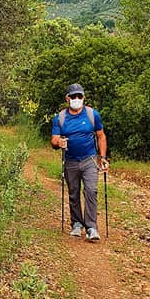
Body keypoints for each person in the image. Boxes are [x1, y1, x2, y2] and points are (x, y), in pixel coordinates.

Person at [51, 83, 109, 240]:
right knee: (74, 192)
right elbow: (54, 140)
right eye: (73, 96)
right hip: (70, 161)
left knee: (91, 190)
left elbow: (101, 136)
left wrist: (103, 158)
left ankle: (91, 227)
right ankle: (76, 223)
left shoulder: (92, 114)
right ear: (67, 98)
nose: (76, 99)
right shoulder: (60, 118)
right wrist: (59, 143)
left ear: (83, 97)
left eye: (79, 96)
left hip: (89, 159)